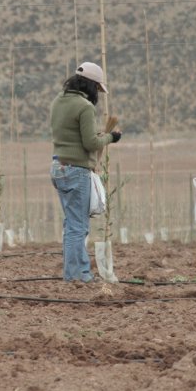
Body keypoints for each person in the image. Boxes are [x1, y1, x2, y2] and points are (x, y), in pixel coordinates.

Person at [50, 62, 122, 282]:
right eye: (97, 89)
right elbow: (91, 143)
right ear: (90, 85)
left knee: (72, 224)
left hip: (58, 167)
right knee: (78, 227)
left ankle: (80, 273)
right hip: (76, 171)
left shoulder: (58, 101)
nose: (97, 94)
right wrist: (111, 137)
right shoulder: (84, 106)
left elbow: (74, 136)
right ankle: (75, 277)